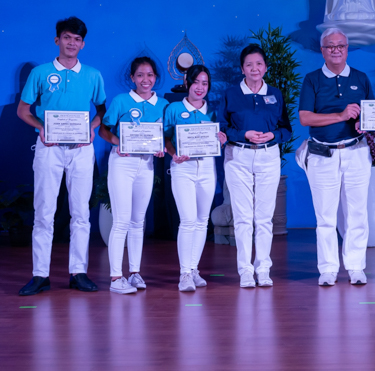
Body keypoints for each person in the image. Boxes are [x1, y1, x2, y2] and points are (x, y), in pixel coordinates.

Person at [17, 16, 106, 296]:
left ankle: (78, 272)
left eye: (77, 39)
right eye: (67, 37)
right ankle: (40, 275)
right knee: (44, 212)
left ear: (83, 43)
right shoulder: (41, 73)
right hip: (49, 149)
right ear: (57, 40)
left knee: (81, 213)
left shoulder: (92, 75)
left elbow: (102, 112)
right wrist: (43, 128)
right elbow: (23, 111)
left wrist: (91, 129)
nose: (72, 43)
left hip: (81, 150)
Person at [298, 27, 374, 286]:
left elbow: (372, 114)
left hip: (356, 151)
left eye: (340, 46)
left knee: (357, 213)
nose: (336, 50)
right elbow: (305, 117)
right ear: (322, 50)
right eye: (330, 46)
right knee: (325, 216)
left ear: (347, 48)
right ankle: (328, 269)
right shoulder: (312, 79)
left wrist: (369, 124)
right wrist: (340, 116)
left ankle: (356, 267)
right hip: (322, 154)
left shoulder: (361, 78)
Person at [221, 44, 292, 288]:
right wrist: (244, 134)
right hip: (237, 157)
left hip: (268, 157)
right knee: (242, 218)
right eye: (249, 64)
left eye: (259, 64)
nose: (254, 68)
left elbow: (286, 129)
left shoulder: (275, 93)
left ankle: (263, 269)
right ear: (242, 68)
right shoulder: (231, 94)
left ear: (266, 67)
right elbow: (222, 128)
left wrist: (272, 136)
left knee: (264, 218)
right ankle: (245, 271)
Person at [98, 57, 169, 294]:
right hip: (122, 163)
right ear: (132, 78)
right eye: (140, 75)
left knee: (139, 221)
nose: (145, 80)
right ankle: (116, 278)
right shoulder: (121, 101)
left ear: (156, 78)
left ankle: (135, 273)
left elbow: (165, 136)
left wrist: (163, 147)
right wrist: (118, 142)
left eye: (149, 75)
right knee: (121, 221)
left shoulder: (164, 104)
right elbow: (103, 129)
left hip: (146, 165)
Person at [164, 65, 227, 292]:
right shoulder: (173, 109)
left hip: (207, 168)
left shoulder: (214, 111)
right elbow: (166, 138)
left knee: (202, 221)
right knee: (188, 220)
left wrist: (221, 138)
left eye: (205, 83)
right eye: (197, 82)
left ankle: (193, 269)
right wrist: (174, 154)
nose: (200, 88)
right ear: (187, 82)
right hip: (183, 169)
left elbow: (221, 135)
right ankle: (184, 274)